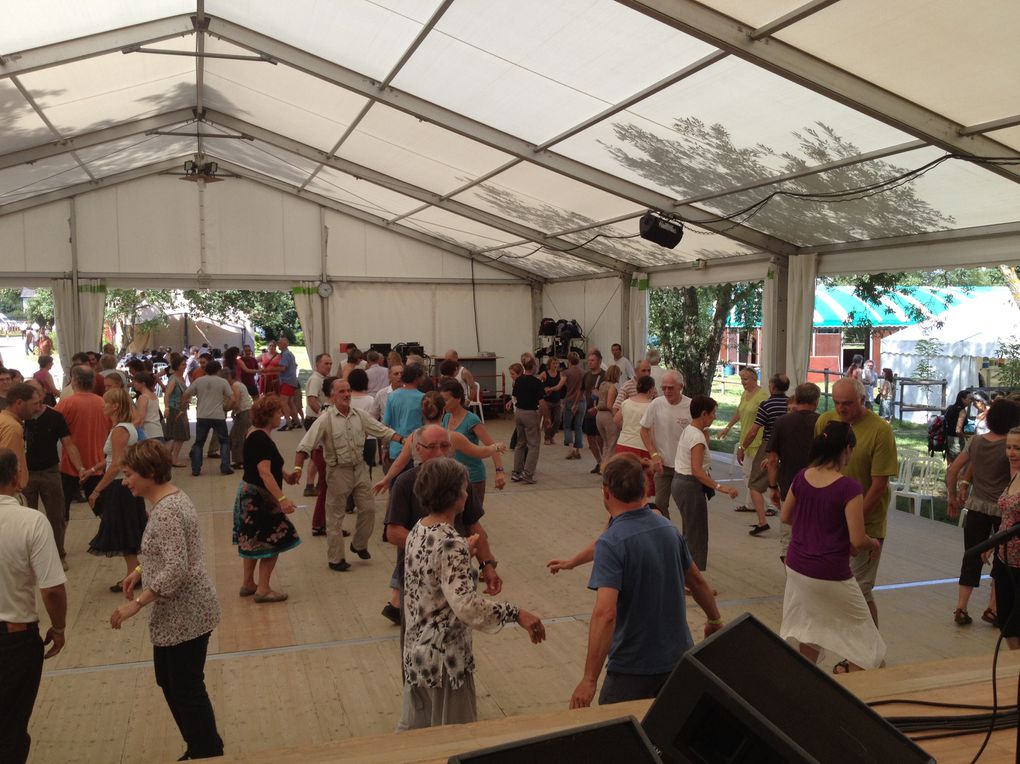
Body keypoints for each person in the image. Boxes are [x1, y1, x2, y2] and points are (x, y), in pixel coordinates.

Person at [399, 457, 545, 729]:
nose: (468, 494)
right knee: (455, 739)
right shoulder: (450, 544)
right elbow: (466, 606)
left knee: (417, 738)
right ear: (454, 497)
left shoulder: (419, 530)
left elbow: (433, 572)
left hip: (417, 654)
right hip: (445, 662)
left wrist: (464, 549)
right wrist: (515, 613)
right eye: (464, 489)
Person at [569, 454, 723, 707]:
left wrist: (589, 679)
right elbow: (696, 581)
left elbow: (605, 614)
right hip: (678, 661)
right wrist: (715, 620)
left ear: (606, 492)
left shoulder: (612, 542)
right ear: (645, 488)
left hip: (634, 669)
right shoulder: (668, 529)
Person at [111, 440, 224, 760]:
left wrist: (137, 603)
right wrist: (140, 569)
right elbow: (172, 552)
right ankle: (201, 745)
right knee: (170, 681)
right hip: (181, 613)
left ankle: (207, 751)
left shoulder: (166, 512)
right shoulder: (168, 501)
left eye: (129, 474)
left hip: (185, 613)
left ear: (149, 472)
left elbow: (176, 567)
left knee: (185, 688)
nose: (126, 481)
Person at [384, 426, 503, 659]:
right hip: (420, 581)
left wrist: (487, 564)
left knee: (456, 639)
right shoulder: (405, 483)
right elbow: (393, 532)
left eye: (445, 446)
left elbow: (474, 525)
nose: (440, 452)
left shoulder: (460, 480)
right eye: (432, 447)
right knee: (418, 647)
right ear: (418, 450)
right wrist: (437, 547)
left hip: (456, 574)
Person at [779, 421, 886, 673]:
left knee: (809, 626)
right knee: (868, 644)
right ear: (847, 449)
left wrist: (813, 527)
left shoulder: (802, 476)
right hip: (830, 572)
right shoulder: (848, 487)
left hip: (796, 566)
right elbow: (858, 539)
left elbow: (785, 516)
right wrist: (874, 543)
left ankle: (806, 682)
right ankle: (864, 693)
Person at [0, 447, 67, 764]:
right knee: (10, 730)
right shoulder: (32, 522)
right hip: (14, 642)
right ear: (16, 478)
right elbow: (52, 589)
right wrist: (59, 627)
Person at [815, 378, 898, 626]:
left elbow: (878, 486)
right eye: (837, 402)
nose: (841, 409)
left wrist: (854, 527)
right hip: (830, 523)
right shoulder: (825, 421)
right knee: (839, 591)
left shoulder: (880, 431)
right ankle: (860, 649)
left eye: (848, 403)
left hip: (865, 525)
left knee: (858, 591)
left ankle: (867, 653)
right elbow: (818, 466)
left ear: (863, 400)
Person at [296, 380, 402, 572]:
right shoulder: (325, 419)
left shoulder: (360, 416)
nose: (346, 394)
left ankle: (359, 544)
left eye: (348, 391)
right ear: (332, 396)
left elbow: (382, 430)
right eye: (341, 391)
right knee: (335, 517)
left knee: (369, 509)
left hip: (359, 468)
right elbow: (305, 444)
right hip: (338, 472)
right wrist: (297, 469)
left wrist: (402, 439)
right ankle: (336, 559)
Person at [946, 398, 1020, 626]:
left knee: (971, 555)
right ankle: (993, 608)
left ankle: (961, 606)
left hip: (976, 507)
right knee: (1000, 560)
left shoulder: (976, 442)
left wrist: (952, 495)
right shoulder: (1010, 445)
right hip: (1002, 511)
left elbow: (953, 469)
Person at [233, 395, 301, 603]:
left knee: (252, 539)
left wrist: (286, 475)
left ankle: (248, 583)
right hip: (260, 498)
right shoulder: (261, 438)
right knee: (274, 539)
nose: (281, 415)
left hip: (249, 494)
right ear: (269, 415)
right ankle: (263, 589)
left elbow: (267, 464)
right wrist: (282, 498)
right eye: (279, 412)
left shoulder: (255, 434)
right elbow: (264, 472)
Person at [86, 387, 149, 591]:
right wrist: (93, 469)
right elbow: (112, 459)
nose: (103, 407)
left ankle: (135, 573)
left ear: (115, 406)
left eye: (106, 403)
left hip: (119, 487)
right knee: (127, 528)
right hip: (124, 486)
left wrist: (97, 490)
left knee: (123, 529)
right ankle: (135, 572)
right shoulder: (127, 428)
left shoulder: (120, 430)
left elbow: (116, 464)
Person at [23, 380, 87, 570]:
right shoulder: (19, 417)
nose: (34, 398)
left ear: (42, 394)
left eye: (36, 392)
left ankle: (58, 554)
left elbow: (68, 444)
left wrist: (80, 468)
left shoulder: (55, 417)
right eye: (29, 394)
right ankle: (29, 557)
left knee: (56, 516)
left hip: (50, 471)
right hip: (25, 474)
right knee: (27, 517)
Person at [671, 395, 739, 571]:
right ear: (703, 414)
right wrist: (719, 487)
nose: (715, 417)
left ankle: (686, 575)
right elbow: (697, 470)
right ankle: (693, 580)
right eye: (713, 413)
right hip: (689, 485)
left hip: (680, 482)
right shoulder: (697, 438)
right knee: (697, 535)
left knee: (690, 532)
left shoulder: (691, 430)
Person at [766, 382, 822, 560]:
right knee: (814, 534)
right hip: (818, 488)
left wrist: (772, 487)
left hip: (789, 485)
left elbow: (773, 460)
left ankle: (791, 575)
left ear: (796, 399)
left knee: (788, 537)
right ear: (816, 401)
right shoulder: (822, 422)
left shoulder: (782, 422)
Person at [738, 373, 791, 536]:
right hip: (789, 446)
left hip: (769, 445)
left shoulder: (766, 405)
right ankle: (789, 521)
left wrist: (742, 447)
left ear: (772, 387)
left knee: (754, 484)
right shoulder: (791, 404)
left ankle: (762, 522)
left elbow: (754, 431)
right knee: (787, 485)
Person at [56, 365, 110, 522]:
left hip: (69, 466)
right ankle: (111, 539)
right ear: (93, 383)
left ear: (73, 381)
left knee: (62, 511)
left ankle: (59, 546)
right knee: (102, 508)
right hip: (97, 465)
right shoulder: (103, 403)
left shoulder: (66, 404)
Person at [440, 380, 505, 504]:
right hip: (453, 477)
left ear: (458, 399)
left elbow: (492, 446)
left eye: (446, 400)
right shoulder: (446, 417)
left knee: (471, 519)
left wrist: (499, 472)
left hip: (473, 478)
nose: (442, 404)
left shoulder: (472, 420)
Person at [642, 370, 692, 519]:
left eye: (671, 387)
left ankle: (687, 538)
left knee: (685, 504)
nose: (667, 391)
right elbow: (644, 430)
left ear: (681, 386)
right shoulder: (656, 404)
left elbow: (703, 435)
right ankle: (668, 534)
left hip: (684, 467)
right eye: (663, 388)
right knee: (660, 503)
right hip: (663, 466)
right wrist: (654, 454)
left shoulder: (690, 405)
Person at [718, 367, 767, 514]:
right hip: (746, 437)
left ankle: (766, 506)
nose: (742, 382)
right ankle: (751, 503)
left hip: (757, 439)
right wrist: (728, 427)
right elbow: (739, 412)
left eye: (745, 379)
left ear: (754, 379)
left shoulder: (762, 396)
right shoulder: (745, 393)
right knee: (747, 472)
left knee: (756, 474)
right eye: (741, 379)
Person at [182, 360, 234, 476]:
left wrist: (183, 407)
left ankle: (196, 469)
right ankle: (225, 467)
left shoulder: (198, 381)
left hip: (202, 415)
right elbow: (233, 398)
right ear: (218, 370)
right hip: (218, 416)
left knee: (199, 443)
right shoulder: (223, 382)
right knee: (224, 441)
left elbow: (186, 394)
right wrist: (227, 408)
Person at [613, 375, 656, 498]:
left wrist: (626, 428)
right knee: (643, 483)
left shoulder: (626, 403)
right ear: (650, 390)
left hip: (623, 443)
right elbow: (652, 430)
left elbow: (616, 420)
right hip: (641, 446)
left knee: (622, 479)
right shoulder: (651, 406)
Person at [302, 353, 333, 497]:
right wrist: (323, 415)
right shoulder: (316, 379)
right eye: (325, 363)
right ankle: (310, 485)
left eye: (330, 364)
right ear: (317, 365)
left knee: (318, 453)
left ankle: (315, 483)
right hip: (314, 419)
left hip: (317, 418)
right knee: (316, 454)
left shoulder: (322, 379)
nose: (329, 366)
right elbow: (311, 400)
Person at [0, 383, 40, 493]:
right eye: (34, 404)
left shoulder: (4, 420)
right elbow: (6, 468)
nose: (38, 408)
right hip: (9, 493)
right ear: (19, 403)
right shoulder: (12, 428)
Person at [510, 358, 544, 484]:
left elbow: (516, 396)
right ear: (534, 367)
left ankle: (516, 472)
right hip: (530, 413)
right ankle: (528, 473)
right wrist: (547, 417)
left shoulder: (518, 381)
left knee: (520, 443)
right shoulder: (537, 382)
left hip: (519, 412)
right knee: (533, 445)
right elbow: (541, 402)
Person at [383, 364, 425, 460]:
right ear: (416, 378)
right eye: (422, 376)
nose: (424, 379)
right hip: (416, 448)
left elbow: (385, 425)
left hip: (396, 448)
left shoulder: (392, 396)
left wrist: (385, 448)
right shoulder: (423, 398)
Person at [161, 355, 190, 467]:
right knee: (178, 436)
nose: (185, 366)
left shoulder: (181, 378)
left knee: (178, 436)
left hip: (181, 409)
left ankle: (167, 458)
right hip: (175, 409)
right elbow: (167, 394)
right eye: (183, 364)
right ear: (177, 366)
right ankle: (173, 459)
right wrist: (167, 408)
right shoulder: (173, 379)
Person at [581, 351, 605, 474]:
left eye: (593, 360)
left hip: (600, 413)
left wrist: (596, 408)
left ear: (599, 361)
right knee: (590, 440)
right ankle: (599, 461)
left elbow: (609, 395)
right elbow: (581, 391)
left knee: (600, 439)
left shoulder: (604, 376)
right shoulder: (586, 376)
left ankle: (605, 462)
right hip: (587, 412)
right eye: (589, 360)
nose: (590, 362)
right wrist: (575, 404)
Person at [225, 366, 253, 469]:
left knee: (237, 437)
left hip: (244, 413)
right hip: (244, 412)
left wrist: (226, 409)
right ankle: (240, 459)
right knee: (235, 436)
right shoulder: (239, 385)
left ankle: (240, 461)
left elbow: (235, 402)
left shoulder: (235, 386)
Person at [561, 351, 586, 460]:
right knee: (579, 426)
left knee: (567, 426)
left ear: (569, 361)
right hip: (582, 401)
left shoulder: (566, 372)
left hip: (570, 400)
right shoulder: (584, 372)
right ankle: (578, 450)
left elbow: (563, 385)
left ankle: (570, 448)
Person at [275, 336, 302, 430]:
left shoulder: (285, 354)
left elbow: (283, 368)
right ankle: (297, 422)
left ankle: (288, 423)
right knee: (290, 402)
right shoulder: (288, 353)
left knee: (284, 402)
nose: (278, 344)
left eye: (280, 343)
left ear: (285, 344)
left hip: (287, 381)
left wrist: (268, 370)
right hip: (291, 381)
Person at [595, 365, 621, 465]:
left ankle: (603, 465)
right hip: (608, 416)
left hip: (599, 415)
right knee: (612, 444)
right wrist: (616, 417)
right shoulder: (612, 387)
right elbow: (610, 405)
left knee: (606, 443)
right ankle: (608, 468)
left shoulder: (602, 384)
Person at [131, 372, 164, 442]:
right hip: (158, 430)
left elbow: (140, 419)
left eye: (136, 382)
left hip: (148, 433)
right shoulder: (153, 395)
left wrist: (129, 429)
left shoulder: (143, 397)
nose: (133, 384)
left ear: (143, 383)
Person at [943, 390, 973, 463]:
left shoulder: (950, 408)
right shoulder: (962, 411)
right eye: (969, 398)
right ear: (963, 399)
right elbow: (958, 430)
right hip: (956, 441)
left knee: (950, 464)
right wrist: (965, 439)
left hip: (947, 438)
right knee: (958, 465)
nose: (971, 401)